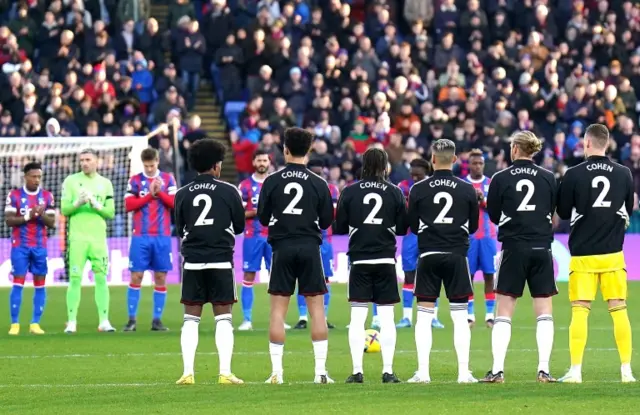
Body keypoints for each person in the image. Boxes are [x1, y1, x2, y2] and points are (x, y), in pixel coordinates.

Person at [556, 124, 636, 383]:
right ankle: (626, 371)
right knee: (619, 309)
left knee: (580, 310)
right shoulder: (624, 173)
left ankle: (576, 371)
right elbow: (627, 208)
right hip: (613, 251)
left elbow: (565, 213)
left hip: (583, 253)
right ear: (608, 143)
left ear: (587, 143)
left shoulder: (574, 173)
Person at [257, 127, 334, 384]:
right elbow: (325, 221)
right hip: (310, 247)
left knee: (278, 311)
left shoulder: (271, 181)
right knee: (317, 310)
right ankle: (320, 373)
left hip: (282, 247)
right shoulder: (319, 182)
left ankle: (277, 373)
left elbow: (263, 218)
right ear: (309, 150)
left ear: (285, 149)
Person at [480, 131, 558, 384]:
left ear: (514, 148)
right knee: (544, 309)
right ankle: (544, 370)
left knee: (504, 309)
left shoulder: (501, 178)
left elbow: (493, 214)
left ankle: (498, 370)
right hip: (541, 247)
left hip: (513, 247)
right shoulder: (548, 177)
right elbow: (553, 211)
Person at [406, 139, 479, 384]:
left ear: (432, 159)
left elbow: (413, 226)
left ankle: (423, 373)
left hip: (428, 255)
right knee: (460, 316)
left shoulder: (418, 188)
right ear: (456, 160)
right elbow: (474, 226)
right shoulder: (467, 188)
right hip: (457, 255)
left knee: (425, 315)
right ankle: (463, 373)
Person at [174, 139, 245, 385]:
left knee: (190, 318)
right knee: (223, 318)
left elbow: (179, 227)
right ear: (216, 165)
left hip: (192, 261)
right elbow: (239, 227)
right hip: (220, 261)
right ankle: (225, 372)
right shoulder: (229, 191)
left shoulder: (182, 193)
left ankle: (187, 372)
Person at [335, 148, 407, 384]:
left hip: (359, 259)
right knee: (387, 318)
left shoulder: (350, 191)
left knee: (357, 317)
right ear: (385, 166)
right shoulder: (395, 192)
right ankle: (388, 372)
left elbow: (341, 225)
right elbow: (403, 227)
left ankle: (357, 372)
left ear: (363, 164)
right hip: (385, 259)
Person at [61, 149, 116, 333]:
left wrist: (97, 205)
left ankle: (104, 321)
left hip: (98, 240)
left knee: (101, 278)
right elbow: (64, 210)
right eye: (82, 160)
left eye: (88, 159)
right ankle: (71, 322)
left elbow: (110, 212)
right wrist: (77, 203)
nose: (84, 163)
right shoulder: (71, 181)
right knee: (75, 279)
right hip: (77, 239)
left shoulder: (105, 184)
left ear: (96, 161)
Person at [123, 148, 177, 332]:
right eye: (146, 166)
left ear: (157, 162)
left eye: (152, 165)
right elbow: (128, 205)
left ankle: (157, 321)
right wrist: (149, 195)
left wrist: (159, 192)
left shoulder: (168, 179)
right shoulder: (136, 180)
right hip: (141, 237)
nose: (149, 169)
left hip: (162, 237)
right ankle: (131, 320)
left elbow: (175, 203)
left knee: (160, 277)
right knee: (136, 276)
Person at [238, 150, 287, 331]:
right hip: (253, 237)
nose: (262, 163)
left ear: (269, 162)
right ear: (253, 162)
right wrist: (260, 211)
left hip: (274, 237)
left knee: (277, 277)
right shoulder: (244, 186)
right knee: (249, 276)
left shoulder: (277, 183)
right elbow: (239, 214)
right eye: (259, 160)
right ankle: (247, 319)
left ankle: (279, 319)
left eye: (265, 160)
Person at [5, 162, 55, 335]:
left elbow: (52, 223)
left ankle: (35, 323)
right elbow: (9, 220)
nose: (36, 180)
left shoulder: (47, 196)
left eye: (39, 177)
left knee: (40, 284)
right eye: (33, 176)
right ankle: (15, 324)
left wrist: (40, 214)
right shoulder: (15, 195)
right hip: (20, 246)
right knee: (18, 283)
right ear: (25, 176)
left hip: (40, 246)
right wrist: (28, 215)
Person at [396, 158, 445, 330]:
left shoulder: (433, 186)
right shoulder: (402, 186)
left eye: (418, 175)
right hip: (411, 235)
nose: (414, 178)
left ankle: (433, 318)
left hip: (430, 234)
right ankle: (407, 317)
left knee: (432, 276)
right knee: (409, 275)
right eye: (412, 175)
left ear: (426, 172)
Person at [294, 158, 338, 330]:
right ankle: (303, 317)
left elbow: (332, 215)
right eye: (314, 172)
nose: (317, 175)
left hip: (324, 240)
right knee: (302, 277)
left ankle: (324, 317)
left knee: (326, 278)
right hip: (306, 239)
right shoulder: (301, 189)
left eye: (319, 172)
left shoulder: (332, 189)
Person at [464, 149, 497, 328]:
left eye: (480, 163)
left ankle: (490, 316)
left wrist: (483, 200)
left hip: (488, 237)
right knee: (468, 277)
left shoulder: (491, 184)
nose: (477, 166)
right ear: (469, 165)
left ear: (483, 165)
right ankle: (469, 316)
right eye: (474, 163)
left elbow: (496, 210)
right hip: (469, 238)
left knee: (489, 275)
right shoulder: (462, 185)